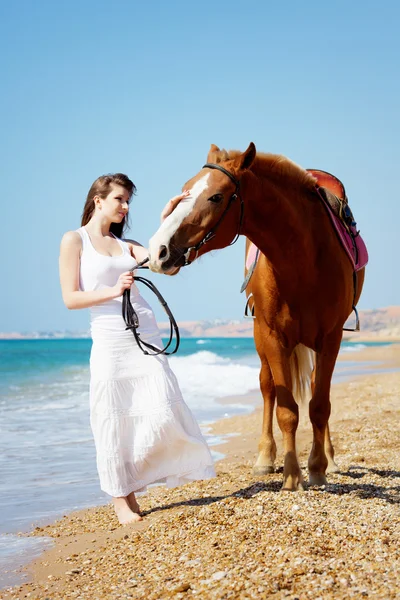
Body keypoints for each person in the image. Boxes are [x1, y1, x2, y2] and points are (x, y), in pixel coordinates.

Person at [59, 173, 215, 525]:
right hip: (110, 338)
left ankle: (135, 483)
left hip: (144, 333)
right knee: (113, 416)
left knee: (157, 409)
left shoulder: (127, 245)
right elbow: (70, 298)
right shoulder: (75, 240)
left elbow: (167, 264)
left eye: (128, 200)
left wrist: (169, 218)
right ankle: (121, 500)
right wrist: (113, 291)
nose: (125, 206)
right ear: (98, 200)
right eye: (119, 199)